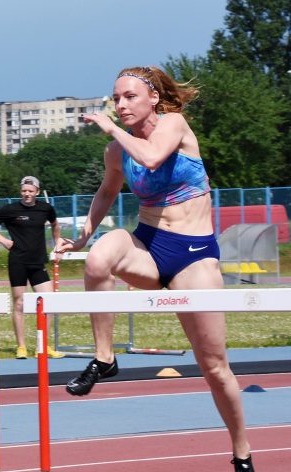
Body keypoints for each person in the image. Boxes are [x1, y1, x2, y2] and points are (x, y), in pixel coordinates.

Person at [56, 66, 254, 471]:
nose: (121, 104)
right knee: (98, 259)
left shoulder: (173, 126)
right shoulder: (116, 152)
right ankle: (105, 358)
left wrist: (111, 128)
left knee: (214, 367)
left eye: (129, 97)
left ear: (152, 99)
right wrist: (82, 236)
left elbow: (149, 156)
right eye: (116, 98)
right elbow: (107, 191)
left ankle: (241, 452)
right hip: (147, 245)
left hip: (194, 254)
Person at [0, 176, 64, 359]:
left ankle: (43, 346)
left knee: (49, 303)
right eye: (24, 191)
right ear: (21, 191)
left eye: (30, 191)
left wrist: (57, 242)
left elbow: (55, 225)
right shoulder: (11, 210)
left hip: (38, 262)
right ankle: (21, 347)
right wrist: (3, 241)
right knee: (19, 303)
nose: (27, 194)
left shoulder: (46, 208)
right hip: (18, 261)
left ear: (37, 192)